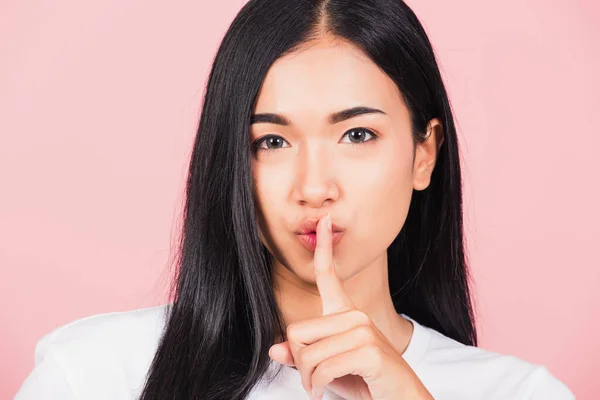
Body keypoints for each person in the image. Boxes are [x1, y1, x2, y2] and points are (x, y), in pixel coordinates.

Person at [15, 0, 576, 399]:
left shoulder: (519, 391)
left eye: (358, 135)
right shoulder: (94, 373)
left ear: (424, 154)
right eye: (273, 141)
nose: (313, 188)